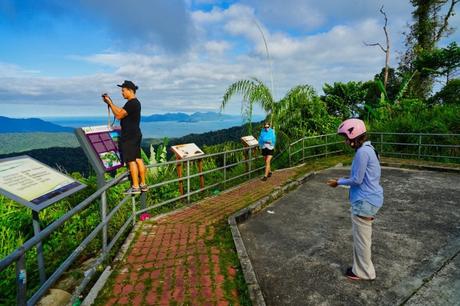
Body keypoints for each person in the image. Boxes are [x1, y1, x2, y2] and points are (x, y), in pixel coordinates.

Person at [326, 118, 383, 280]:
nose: (346, 142)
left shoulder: (362, 153)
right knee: (363, 238)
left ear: (354, 135)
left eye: (346, 138)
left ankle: (365, 272)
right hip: (370, 198)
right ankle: (361, 268)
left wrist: (338, 182)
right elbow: (363, 177)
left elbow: (357, 179)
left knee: (362, 240)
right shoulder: (369, 149)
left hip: (364, 201)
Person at [102, 80, 148, 194]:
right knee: (138, 159)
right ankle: (143, 184)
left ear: (130, 90)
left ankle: (135, 186)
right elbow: (121, 112)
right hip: (136, 134)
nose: (122, 93)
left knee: (131, 161)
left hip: (129, 136)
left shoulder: (131, 103)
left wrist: (110, 103)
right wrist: (110, 103)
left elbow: (118, 115)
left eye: (123, 91)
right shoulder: (135, 103)